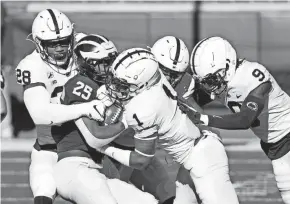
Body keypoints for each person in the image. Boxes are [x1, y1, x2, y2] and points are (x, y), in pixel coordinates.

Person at [96, 47, 239, 204]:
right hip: (195, 154)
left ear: (142, 83)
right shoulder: (155, 81)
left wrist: (103, 148)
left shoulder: (144, 108)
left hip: (204, 158)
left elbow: (141, 160)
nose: (116, 88)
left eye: (122, 84)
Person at [181, 36, 290, 204]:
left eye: (211, 80)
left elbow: (244, 119)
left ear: (227, 64)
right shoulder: (222, 80)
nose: (210, 87)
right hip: (277, 148)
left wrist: (203, 118)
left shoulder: (253, 76)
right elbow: (190, 98)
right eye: (205, 82)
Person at [52, 33, 157, 204]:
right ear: (86, 64)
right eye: (102, 63)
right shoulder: (79, 84)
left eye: (110, 61)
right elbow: (94, 138)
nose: (108, 67)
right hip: (73, 168)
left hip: (96, 171)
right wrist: (127, 120)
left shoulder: (108, 88)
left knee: (147, 201)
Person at [15, 9, 103, 204]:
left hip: (88, 146)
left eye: (64, 41)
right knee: (43, 192)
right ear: (39, 43)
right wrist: (86, 108)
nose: (60, 49)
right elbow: (40, 114)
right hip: (49, 148)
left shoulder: (83, 47)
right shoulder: (32, 65)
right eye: (52, 44)